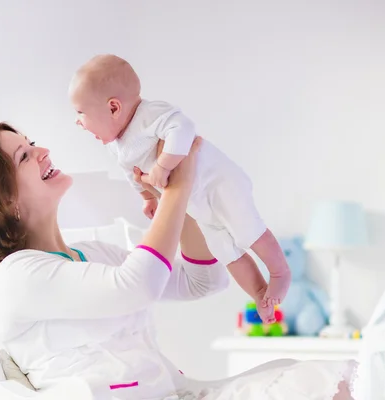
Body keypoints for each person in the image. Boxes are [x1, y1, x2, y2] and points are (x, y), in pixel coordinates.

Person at [0, 121, 356, 399]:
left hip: (175, 392)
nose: (43, 150)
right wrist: (179, 188)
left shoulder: (94, 256)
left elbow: (203, 282)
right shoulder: (17, 276)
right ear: (5, 200)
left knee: (318, 377)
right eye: (25, 156)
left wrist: (177, 202)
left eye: (31, 144)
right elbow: (137, 285)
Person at [69, 54, 290, 322]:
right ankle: (259, 294)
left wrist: (162, 166)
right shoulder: (118, 146)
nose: (77, 122)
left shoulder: (150, 114)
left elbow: (183, 128)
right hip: (197, 204)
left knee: (248, 231)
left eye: (80, 113)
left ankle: (279, 272)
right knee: (226, 251)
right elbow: (133, 174)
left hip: (217, 183)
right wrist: (148, 197)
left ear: (114, 107)